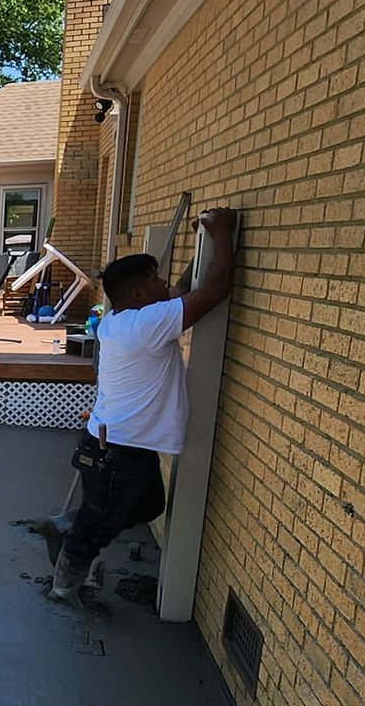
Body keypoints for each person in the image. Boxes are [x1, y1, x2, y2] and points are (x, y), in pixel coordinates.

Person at [43, 207, 239, 605]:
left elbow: (183, 293)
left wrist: (193, 261)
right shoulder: (146, 326)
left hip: (117, 444)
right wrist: (222, 234)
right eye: (153, 280)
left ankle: (70, 524)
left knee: (151, 505)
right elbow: (216, 288)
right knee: (94, 532)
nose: (163, 282)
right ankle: (62, 590)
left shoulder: (124, 319)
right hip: (117, 450)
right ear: (137, 294)